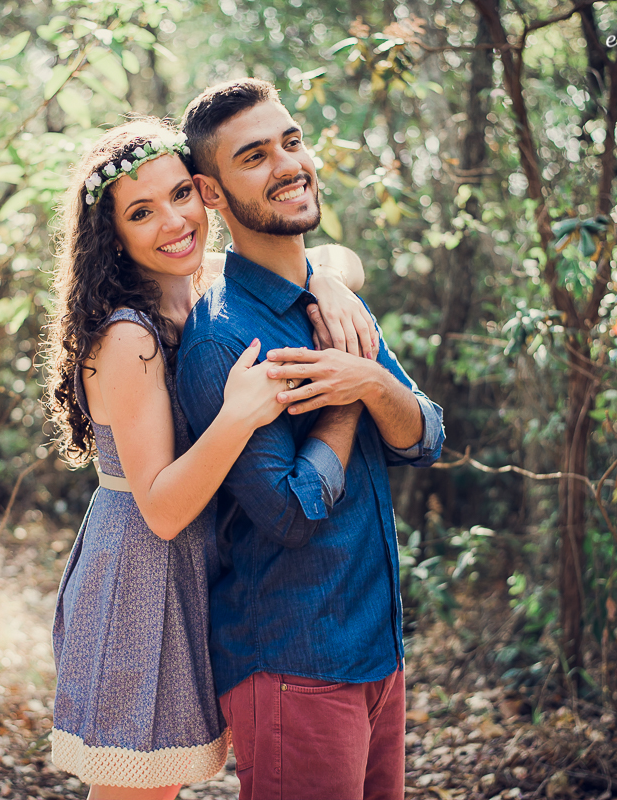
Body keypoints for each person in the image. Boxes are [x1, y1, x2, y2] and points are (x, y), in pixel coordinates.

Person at [43, 117, 376, 800]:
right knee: (138, 791)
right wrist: (238, 415)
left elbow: (341, 257)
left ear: (205, 194)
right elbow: (162, 509)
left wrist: (330, 286)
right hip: (140, 573)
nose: (173, 221)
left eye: (180, 196)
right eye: (142, 212)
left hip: (194, 570)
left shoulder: (203, 284)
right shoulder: (128, 336)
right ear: (116, 237)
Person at [175, 79, 446, 800]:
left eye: (291, 142)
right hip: (294, 665)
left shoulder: (334, 301)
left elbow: (425, 435)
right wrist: (352, 393)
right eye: (255, 156)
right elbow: (292, 512)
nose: (288, 164)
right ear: (210, 192)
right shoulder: (220, 339)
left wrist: (368, 381)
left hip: (376, 652)